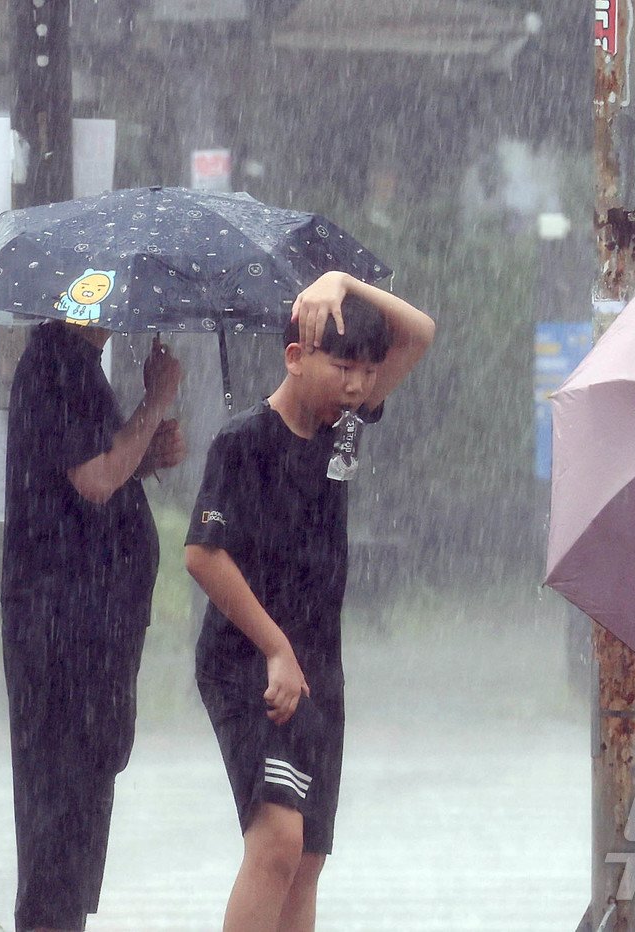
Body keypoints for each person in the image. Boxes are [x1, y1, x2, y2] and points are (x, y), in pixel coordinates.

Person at [184, 270, 435, 931]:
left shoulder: (342, 425)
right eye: (342, 365)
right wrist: (276, 649)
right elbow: (203, 556)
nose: (357, 385)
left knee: (310, 856)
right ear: (296, 358)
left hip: (318, 664)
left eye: (367, 370)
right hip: (250, 665)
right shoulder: (243, 442)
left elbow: (421, 333)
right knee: (276, 844)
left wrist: (340, 280)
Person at [1, 321, 186, 932]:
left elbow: (96, 471)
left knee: (78, 815)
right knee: (60, 813)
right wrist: (155, 400)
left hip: (90, 634)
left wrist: (146, 452)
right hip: (64, 636)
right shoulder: (58, 366)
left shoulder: (80, 368)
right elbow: (96, 478)